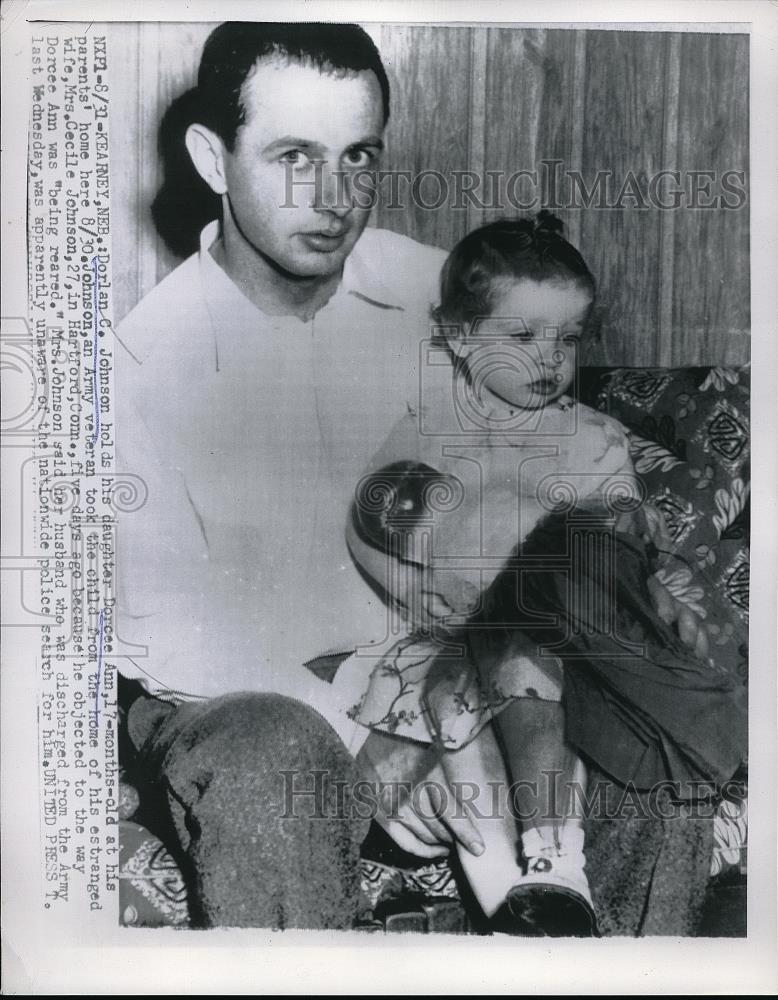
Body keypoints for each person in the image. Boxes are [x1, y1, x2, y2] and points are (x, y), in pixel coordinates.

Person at [114, 21, 469, 929]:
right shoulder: (137, 370)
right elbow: (168, 642)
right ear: (211, 157)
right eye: (292, 156)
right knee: (271, 745)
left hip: (432, 668)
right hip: (232, 698)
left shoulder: (444, 304)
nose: (335, 196)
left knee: (620, 699)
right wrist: (383, 736)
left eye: (359, 156)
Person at [345, 214, 747, 935]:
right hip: (454, 633)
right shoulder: (425, 430)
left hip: (558, 641)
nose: (550, 360)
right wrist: (411, 591)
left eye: (568, 339)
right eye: (524, 337)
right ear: (460, 338)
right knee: (453, 714)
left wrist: (658, 579)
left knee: (545, 680)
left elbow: (622, 541)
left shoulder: (592, 438)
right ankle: (516, 903)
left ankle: (554, 858)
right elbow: (368, 525)